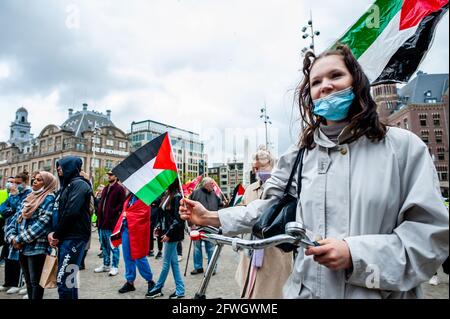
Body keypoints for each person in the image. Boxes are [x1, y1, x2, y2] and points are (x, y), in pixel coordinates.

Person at [180, 45, 449, 299]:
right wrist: (212, 217)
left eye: (336, 75)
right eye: (316, 82)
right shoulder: (300, 155)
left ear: (356, 82)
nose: (326, 86)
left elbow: (430, 237)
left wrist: (356, 254)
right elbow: (267, 208)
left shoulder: (403, 148)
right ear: (310, 96)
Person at [234, 146, 293, 299]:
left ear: (272, 165)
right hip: (252, 251)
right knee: (250, 291)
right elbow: (244, 212)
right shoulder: (251, 189)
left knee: (272, 292)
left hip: (274, 251)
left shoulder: (284, 188)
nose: (257, 171)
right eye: (255, 168)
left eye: (260, 167)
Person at [6, 171, 57, 299]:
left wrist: (19, 239)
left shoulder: (49, 199)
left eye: (39, 180)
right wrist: (12, 237)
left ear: (47, 184)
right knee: (28, 281)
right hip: (22, 247)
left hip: (37, 248)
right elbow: (15, 219)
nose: (34, 181)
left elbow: (42, 224)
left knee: (36, 283)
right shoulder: (29, 197)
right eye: (34, 179)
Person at [48, 156, 92, 299]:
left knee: (64, 280)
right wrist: (53, 232)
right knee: (69, 280)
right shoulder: (65, 187)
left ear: (70, 167)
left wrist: (56, 235)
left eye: (62, 166)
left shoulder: (80, 184)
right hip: (65, 238)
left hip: (74, 238)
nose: (58, 169)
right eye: (58, 166)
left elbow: (71, 212)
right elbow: (58, 212)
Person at [111, 189, 155, 296]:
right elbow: (126, 211)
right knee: (127, 256)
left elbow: (144, 215)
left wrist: (128, 214)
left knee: (139, 256)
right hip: (126, 229)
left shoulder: (145, 197)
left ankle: (150, 281)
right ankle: (130, 282)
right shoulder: (130, 196)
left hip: (137, 231)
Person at [146, 179, 185, 299]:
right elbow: (163, 215)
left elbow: (178, 219)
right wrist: (159, 227)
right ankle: (180, 290)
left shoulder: (177, 196)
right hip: (168, 233)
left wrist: (168, 233)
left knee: (166, 263)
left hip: (172, 235)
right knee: (173, 264)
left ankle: (158, 288)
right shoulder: (167, 195)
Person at [0, 173, 32, 295]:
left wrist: (12, 202)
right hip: (10, 229)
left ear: (25, 181)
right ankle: (8, 282)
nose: (15, 185)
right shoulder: (14, 193)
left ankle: (17, 283)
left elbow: (18, 208)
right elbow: (3, 208)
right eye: (14, 183)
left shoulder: (27, 193)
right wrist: (10, 210)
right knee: (8, 257)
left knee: (18, 259)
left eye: (18, 183)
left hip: (20, 230)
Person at [189, 177, 222, 275]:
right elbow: (188, 208)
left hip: (211, 226)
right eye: (211, 184)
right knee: (196, 248)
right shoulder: (195, 193)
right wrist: (191, 223)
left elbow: (220, 206)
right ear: (205, 184)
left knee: (211, 248)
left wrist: (219, 218)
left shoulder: (215, 194)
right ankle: (198, 267)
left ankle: (212, 268)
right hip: (197, 226)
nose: (213, 185)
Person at [95, 171, 125, 276]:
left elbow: (121, 205)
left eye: (111, 175)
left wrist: (113, 213)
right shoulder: (106, 188)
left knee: (113, 245)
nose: (109, 176)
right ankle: (106, 265)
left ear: (116, 176)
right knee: (104, 245)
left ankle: (115, 266)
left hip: (111, 223)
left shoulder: (120, 189)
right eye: (108, 175)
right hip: (102, 222)